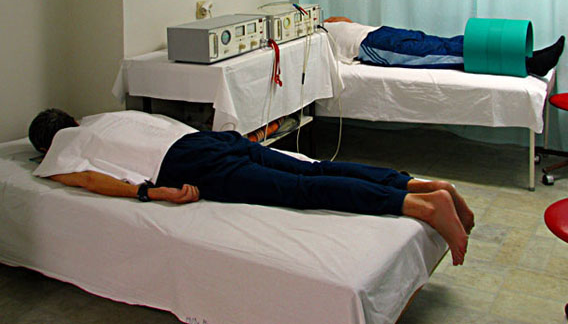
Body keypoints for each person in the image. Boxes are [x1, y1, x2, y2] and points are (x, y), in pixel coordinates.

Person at [29, 108, 474, 265]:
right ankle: (422, 185)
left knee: (300, 190)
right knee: (314, 169)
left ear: (47, 143)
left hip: (187, 163)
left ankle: (421, 207)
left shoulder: (62, 147)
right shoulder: (104, 117)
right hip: (206, 141)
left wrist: (152, 193)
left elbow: (87, 179)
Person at [324, 16, 565, 77]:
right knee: (436, 54)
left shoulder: (318, 22)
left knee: (445, 42)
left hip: (377, 32)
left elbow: (342, 20)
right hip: (369, 46)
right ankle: (530, 63)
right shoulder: (311, 42)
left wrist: (335, 21)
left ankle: (528, 55)